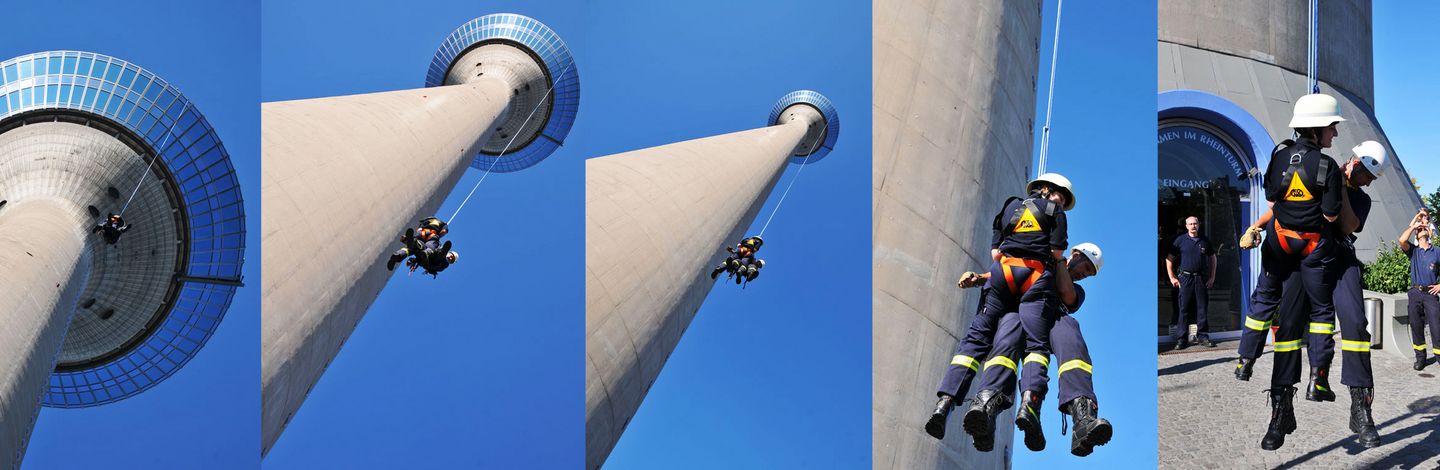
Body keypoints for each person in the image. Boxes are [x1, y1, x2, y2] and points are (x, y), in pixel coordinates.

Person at [1235, 95, 1382, 450]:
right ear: (1356, 161)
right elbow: (1282, 208)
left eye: (1369, 177)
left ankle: (1360, 408)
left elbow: (1345, 226)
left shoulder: (1358, 195)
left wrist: (1344, 187)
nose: (1367, 181)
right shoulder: (1316, 168)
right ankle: (1281, 411)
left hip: (1339, 260)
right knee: (1287, 327)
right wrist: (1255, 226)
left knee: (1354, 323)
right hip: (1305, 255)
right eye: (1364, 173)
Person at [924, 172, 1074, 448]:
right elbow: (1055, 254)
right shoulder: (1056, 213)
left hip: (1000, 274)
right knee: (1036, 346)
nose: (1061, 202)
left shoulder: (1008, 207)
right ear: (1046, 190)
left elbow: (996, 253)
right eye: (1059, 196)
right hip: (1035, 277)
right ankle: (1029, 403)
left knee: (976, 340)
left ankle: (944, 404)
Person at [962, 243, 1112, 456]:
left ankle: (1082, 416)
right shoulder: (1041, 261)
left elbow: (1066, 295)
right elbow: (1011, 271)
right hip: (1019, 318)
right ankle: (987, 410)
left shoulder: (1075, 289)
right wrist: (980, 278)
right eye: (1086, 268)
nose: (1084, 275)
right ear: (1076, 255)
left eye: (1089, 274)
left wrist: (1058, 260)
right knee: (1008, 334)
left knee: (1070, 330)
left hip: (1050, 325)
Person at [1397, 209, 1440, 371]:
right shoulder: (1413, 252)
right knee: (1416, 326)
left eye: (1425, 225)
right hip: (1415, 293)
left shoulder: (1437, 251)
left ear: (1429, 230)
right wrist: (1415, 223)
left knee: (1436, 327)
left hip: (1431, 294)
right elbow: (1401, 240)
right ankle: (1420, 358)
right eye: (1419, 228)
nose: (1422, 228)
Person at [1166, 216, 1217, 348]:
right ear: (1186, 226)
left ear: (1199, 225)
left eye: (1195, 223)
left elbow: (1213, 258)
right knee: (1183, 309)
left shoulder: (1204, 240)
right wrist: (1172, 277)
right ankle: (1181, 339)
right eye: (1191, 224)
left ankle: (1203, 336)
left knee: (1202, 308)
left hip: (1201, 278)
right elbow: (1169, 259)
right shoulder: (1180, 240)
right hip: (1185, 278)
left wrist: (1212, 277)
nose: (1193, 226)